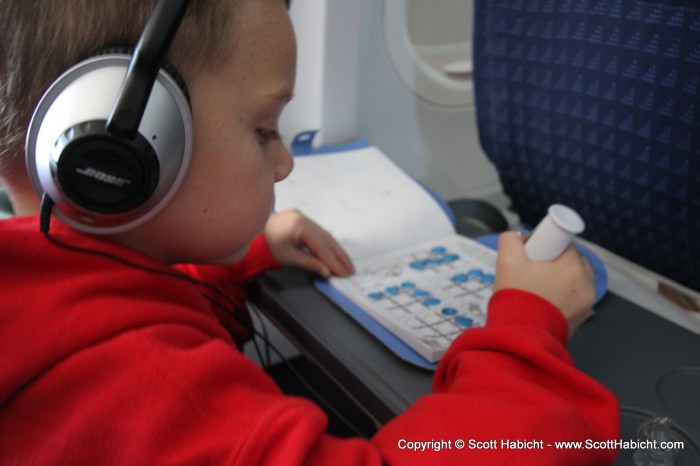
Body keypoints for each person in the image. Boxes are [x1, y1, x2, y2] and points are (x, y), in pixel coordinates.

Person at [0, 0, 619, 464]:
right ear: (120, 153)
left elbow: (124, 300)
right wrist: (527, 325)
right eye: (265, 129)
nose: (284, 162)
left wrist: (244, 255)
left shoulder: (42, 290)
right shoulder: (152, 389)